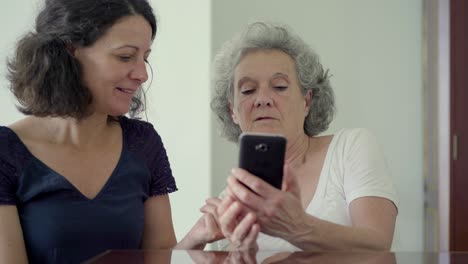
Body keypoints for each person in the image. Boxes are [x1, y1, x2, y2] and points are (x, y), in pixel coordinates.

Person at [0, 0, 207, 262]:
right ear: (69, 50)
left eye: (145, 58)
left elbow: (160, 256)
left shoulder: (143, 142)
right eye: (125, 56)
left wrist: (199, 236)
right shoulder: (6, 152)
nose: (143, 74)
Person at [198, 21, 399, 251]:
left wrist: (298, 228)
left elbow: (379, 246)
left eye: (279, 86)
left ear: (307, 100)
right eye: (248, 90)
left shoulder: (350, 148)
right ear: (233, 111)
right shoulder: (231, 200)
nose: (263, 98)